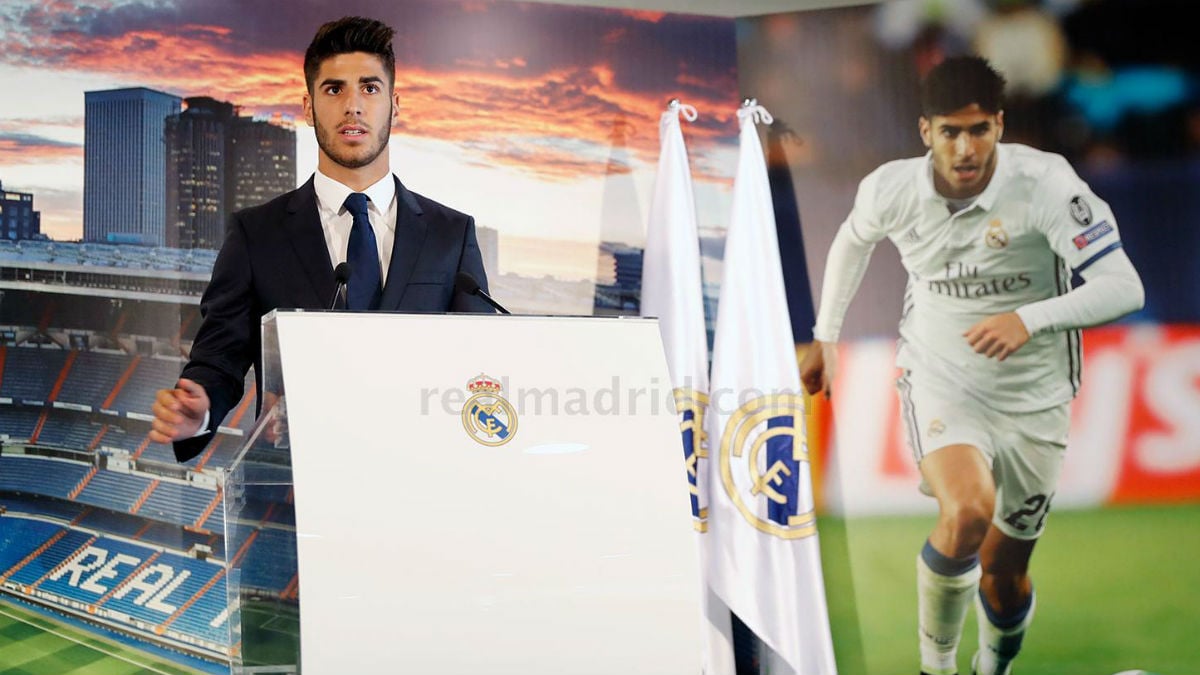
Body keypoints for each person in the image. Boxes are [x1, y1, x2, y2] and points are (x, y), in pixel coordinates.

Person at [799, 56, 1144, 675]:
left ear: (1000, 126)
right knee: (966, 513)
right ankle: (938, 668)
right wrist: (825, 335)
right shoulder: (891, 189)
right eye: (951, 131)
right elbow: (853, 240)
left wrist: (1030, 319)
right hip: (940, 378)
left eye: (979, 129)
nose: (966, 147)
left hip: (1036, 399)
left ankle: (995, 667)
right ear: (925, 131)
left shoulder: (1046, 185)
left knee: (1003, 577)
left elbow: (1125, 287)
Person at [150, 16, 490, 461]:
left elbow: (482, 365)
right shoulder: (256, 233)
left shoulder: (452, 232)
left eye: (370, 88)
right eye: (334, 90)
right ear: (309, 107)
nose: (353, 106)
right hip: (294, 490)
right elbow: (220, 358)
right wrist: (202, 408)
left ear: (395, 105)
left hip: (422, 483)